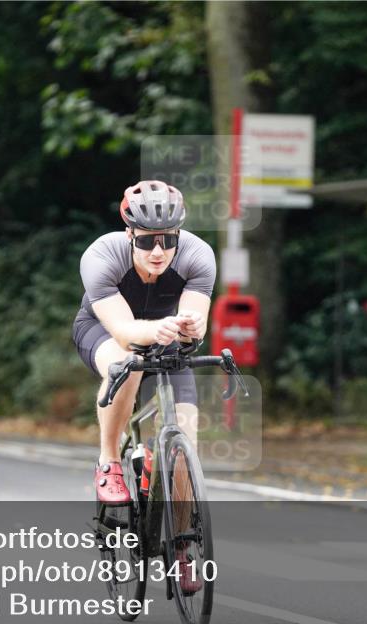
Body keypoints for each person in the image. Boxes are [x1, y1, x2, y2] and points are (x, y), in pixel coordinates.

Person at [72, 180, 215, 594]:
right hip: (104, 332)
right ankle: (109, 462)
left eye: (168, 240)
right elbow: (123, 331)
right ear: (129, 234)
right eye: (148, 241)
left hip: (165, 336)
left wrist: (192, 327)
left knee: (186, 437)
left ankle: (183, 547)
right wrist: (158, 330)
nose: (158, 251)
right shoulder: (102, 256)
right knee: (127, 363)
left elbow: (194, 328)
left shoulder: (197, 255)